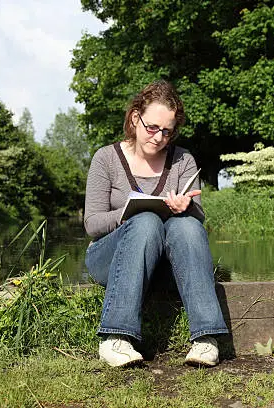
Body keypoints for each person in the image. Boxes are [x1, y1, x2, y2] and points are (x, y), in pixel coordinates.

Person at [83, 80, 228, 368]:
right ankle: (115, 338)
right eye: (152, 128)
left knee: (186, 225)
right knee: (145, 220)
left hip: (166, 264)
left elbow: (197, 223)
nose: (159, 137)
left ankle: (206, 339)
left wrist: (185, 210)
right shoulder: (106, 158)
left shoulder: (183, 159)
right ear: (135, 118)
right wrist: (126, 214)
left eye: (167, 131)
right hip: (110, 259)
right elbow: (92, 224)